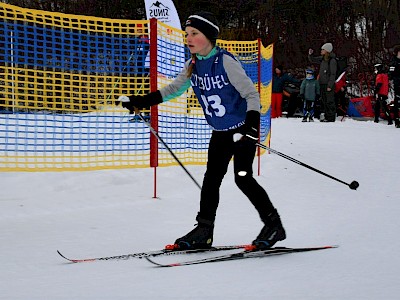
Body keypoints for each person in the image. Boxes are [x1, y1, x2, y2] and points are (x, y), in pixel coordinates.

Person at [121, 11, 286, 250]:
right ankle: (204, 230)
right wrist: (141, 102)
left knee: (243, 178)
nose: (188, 38)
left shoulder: (225, 62)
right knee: (211, 180)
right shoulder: (193, 65)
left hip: (242, 130)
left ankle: (274, 225)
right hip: (220, 132)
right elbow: (173, 90)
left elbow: (251, 94)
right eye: (187, 34)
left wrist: (251, 127)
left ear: (208, 36)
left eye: (194, 33)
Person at [308, 43, 337, 122]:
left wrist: (330, 85)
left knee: (329, 101)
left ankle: (331, 117)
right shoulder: (323, 59)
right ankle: (327, 116)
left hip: (328, 84)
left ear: (327, 51)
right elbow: (313, 59)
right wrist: (310, 55)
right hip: (322, 83)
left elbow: (333, 74)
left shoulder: (332, 60)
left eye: (323, 49)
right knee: (324, 100)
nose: (321, 51)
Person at [389, 45, 400, 128]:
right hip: (398, 84)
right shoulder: (394, 62)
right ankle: (397, 120)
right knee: (397, 102)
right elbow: (391, 74)